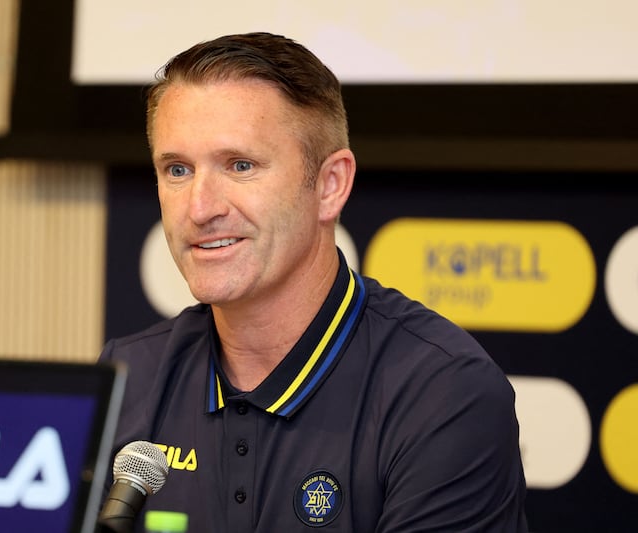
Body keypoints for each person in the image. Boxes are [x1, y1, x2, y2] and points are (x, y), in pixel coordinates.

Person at [99, 32, 528, 532]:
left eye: (240, 166)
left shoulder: (444, 393)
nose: (199, 208)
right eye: (177, 169)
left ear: (330, 186)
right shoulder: (128, 377)